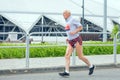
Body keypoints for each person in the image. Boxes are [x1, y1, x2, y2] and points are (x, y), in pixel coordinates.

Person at [59, 10, 95, 77]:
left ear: (68, 14)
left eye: (64, 13)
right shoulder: (67, 21)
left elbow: (80, 27)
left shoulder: (73, 19)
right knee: (67, 55)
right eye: (63, 14)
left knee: (80, 56)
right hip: (70, 41)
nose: (63, 15)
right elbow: (69, 30)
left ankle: (91, 66)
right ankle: (67, 72)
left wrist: (75, 32)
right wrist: (68, 37)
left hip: (76, 40)